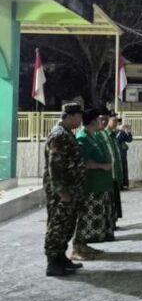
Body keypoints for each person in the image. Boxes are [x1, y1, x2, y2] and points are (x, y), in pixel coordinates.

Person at [43, 103, 86, 276]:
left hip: (71, 189)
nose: (80, 120)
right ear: (69, 116)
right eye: (78, 117)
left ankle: (61, 257)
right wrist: (61, 191)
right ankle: (53, 263)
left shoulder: (67, 134)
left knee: (67, 225)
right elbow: (55, 166)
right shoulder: (59, 136)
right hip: (61, 193)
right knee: (57, 225)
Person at [72, 109, 115, 261]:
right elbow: (84, 163)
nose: (101, 122)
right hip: (90, 186)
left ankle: (83, 245)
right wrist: (102, 166)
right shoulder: (83, 138)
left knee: (89, 220)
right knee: (85, 218)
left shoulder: (92, 137)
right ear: (92, 122)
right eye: (98, 120)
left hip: (99, 185)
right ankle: (77, 249)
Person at [103, 110, 124, 230]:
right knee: (111, 200)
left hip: (115, 173)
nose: (116, 123)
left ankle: (114, 221)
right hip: (110, 174)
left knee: (115, 199)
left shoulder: (113, 135)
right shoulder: (104, 136)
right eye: (114, 121)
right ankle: (111, 222)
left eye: (117, 121)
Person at [115, 117, 133, 189]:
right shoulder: (114, 131)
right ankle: (119, 184)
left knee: (124, 167)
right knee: (118, 168)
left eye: (119, 123)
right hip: (117, 152)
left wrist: (129, 132)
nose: (119, 124)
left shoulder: (122, 132)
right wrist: (120, 131)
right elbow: (116, 140)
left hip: (122, 153)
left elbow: (129, 140)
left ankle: (125, 184)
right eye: (117, 123)